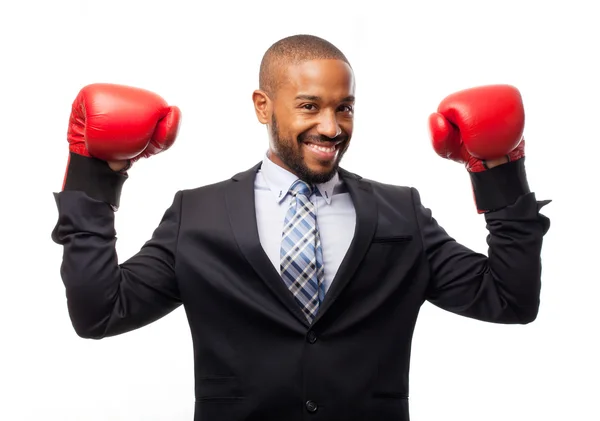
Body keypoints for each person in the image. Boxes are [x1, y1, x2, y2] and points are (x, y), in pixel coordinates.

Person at [52, 34, 551, 421]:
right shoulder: (196, 214)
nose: (332, 127)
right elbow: (100, 313)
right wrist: (95, 175)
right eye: (310, 106)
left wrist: (499, 171)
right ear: (263, 106)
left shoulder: (401, 212)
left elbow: (510, 299)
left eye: (345, 107)